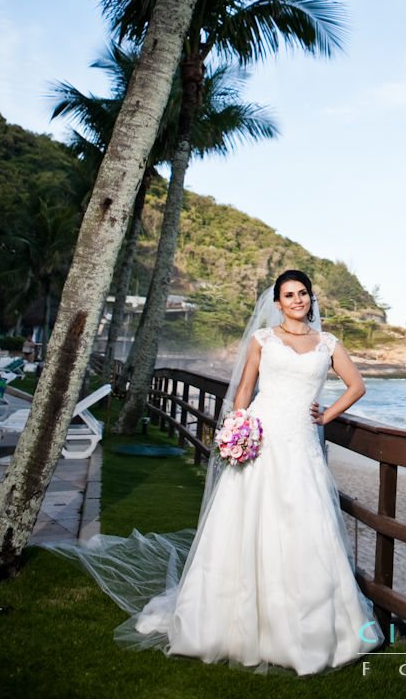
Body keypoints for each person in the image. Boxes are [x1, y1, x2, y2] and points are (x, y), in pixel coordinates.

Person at [49, 270, 382, 676]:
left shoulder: (328, 344)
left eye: (303, 294)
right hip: (260, 436)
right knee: (245, 522)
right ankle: (234, 622)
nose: (297, 300)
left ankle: (305, 627)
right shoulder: (263, 340)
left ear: (311, 299)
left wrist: (325, 416)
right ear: (277, 303)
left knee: (304, 524)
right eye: (289, 295)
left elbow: (356, 385)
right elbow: (244, 389)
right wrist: (237, 426)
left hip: (301, 443)